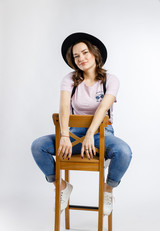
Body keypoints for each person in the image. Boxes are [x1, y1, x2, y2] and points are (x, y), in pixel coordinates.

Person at [31, 32, 132, 216]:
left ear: (94, 53)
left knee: (124, 152)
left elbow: (102, 109)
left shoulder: (110, 80)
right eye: (76, 56)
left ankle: (107, 191)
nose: (81, 59)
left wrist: (89, 135)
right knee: (38, 146)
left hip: (101, 135)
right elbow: (63, 109)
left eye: (85, 53)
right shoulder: (70, 79)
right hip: (73, 136)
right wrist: (64, 136)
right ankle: (61, 187)